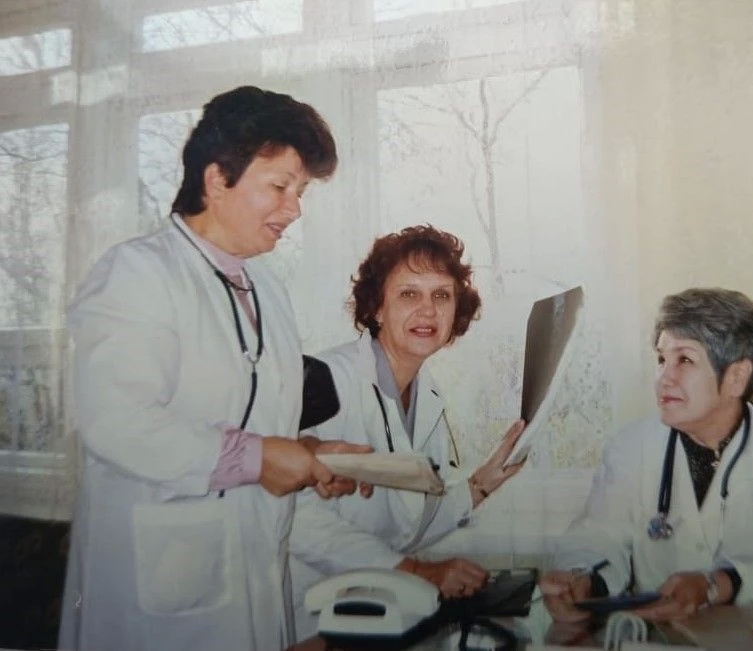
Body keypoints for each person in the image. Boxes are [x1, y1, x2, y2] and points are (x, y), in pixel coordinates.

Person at [59, 86, 371, 651]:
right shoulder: (137, 272)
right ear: (217, 179)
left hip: (255, 573)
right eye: (280, 186)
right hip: (157, 593)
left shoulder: (266, 289)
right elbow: (116, 421)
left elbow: (248, 421)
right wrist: (260, 459)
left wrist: (308, 456)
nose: (295, 210)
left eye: (300, 192)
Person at [542, 288, 753, 624]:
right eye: (661, 360)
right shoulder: (630, 447)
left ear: (736, 377)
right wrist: (581, 580)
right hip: (667, 634)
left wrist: (714, 585)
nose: (663, 379)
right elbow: (599, 537)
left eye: (684, 360)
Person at [289, 224, 526, 640]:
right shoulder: (329, 380)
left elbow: (405, 522)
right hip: (306, 615)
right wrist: (416, 572)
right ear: (377, 308)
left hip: (370, 613)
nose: (428, 311)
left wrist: (478, 487)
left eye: (441, 296)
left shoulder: (426, 393)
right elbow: (296, 518)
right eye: (409, 294)